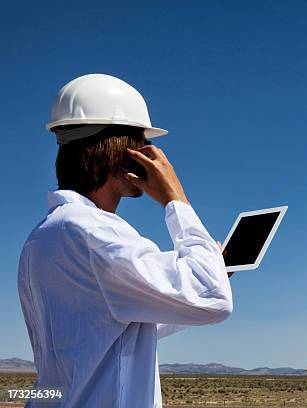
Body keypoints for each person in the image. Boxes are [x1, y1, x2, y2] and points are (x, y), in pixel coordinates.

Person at [18, 74, 233, 407]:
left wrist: (207, 269)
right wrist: (176, 200)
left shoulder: (47, 235)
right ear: (118, 150)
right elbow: (213, 299)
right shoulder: (94, 232)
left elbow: (115, 330)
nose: (152, 155)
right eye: (142, 143)